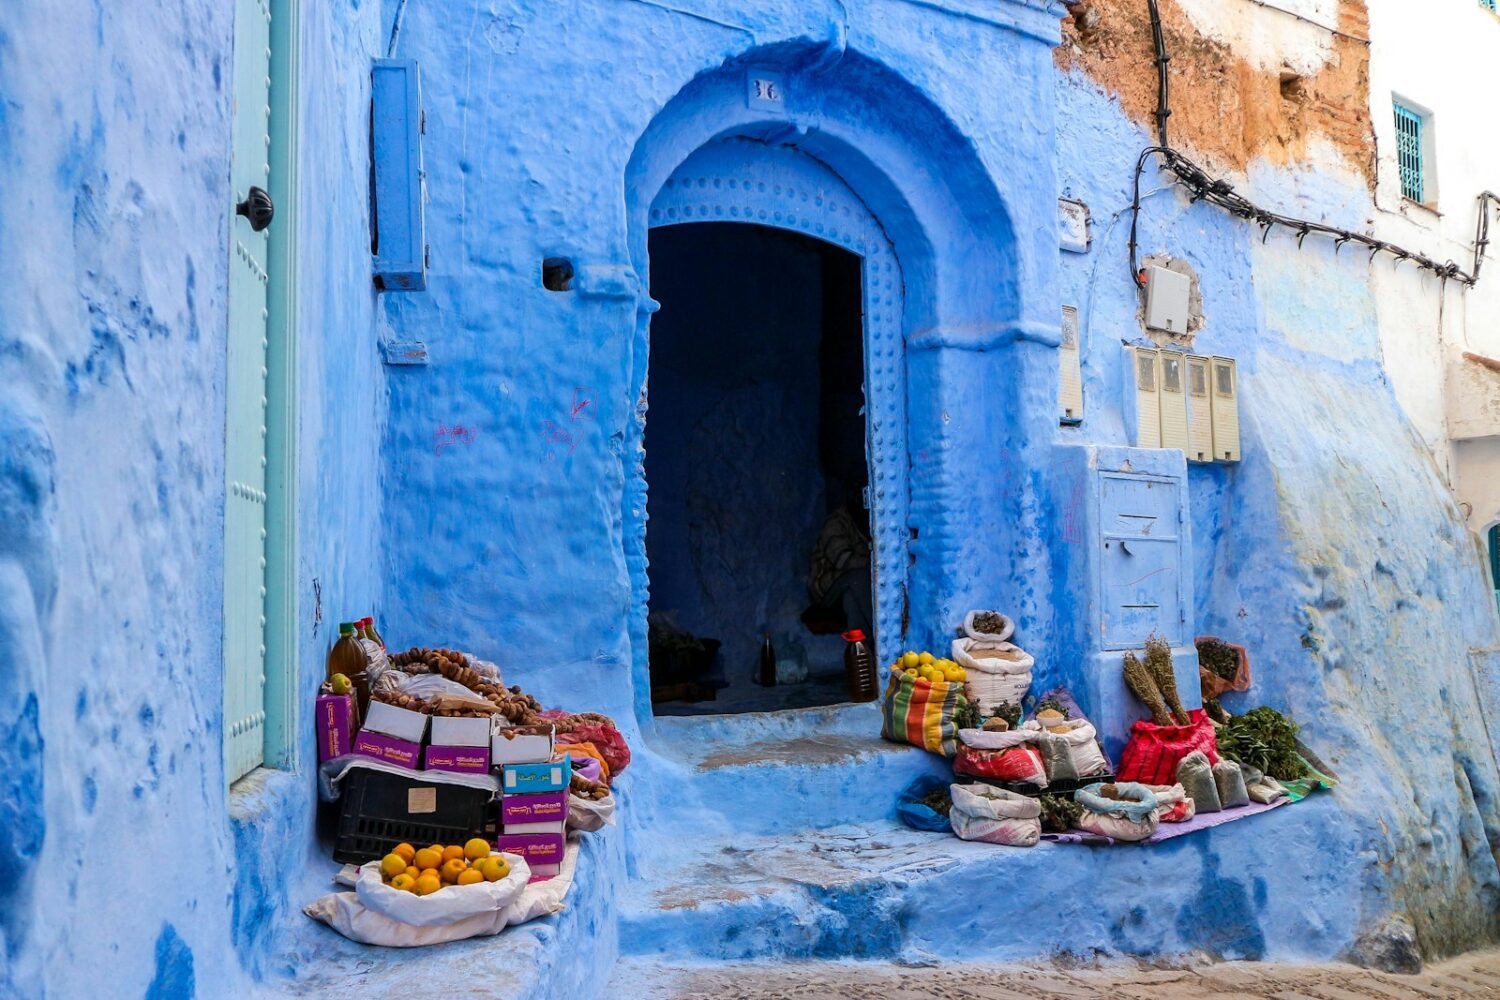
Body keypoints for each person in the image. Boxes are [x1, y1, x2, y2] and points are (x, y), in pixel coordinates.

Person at [807, 493, 873, 637]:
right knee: (859, 578)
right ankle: (878, 631)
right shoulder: (836, 523)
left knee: (852, 597)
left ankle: (863, 648)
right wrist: (872, 565)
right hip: (825, 589)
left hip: (845, 588)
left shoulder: (860, 524)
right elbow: (843, 560)